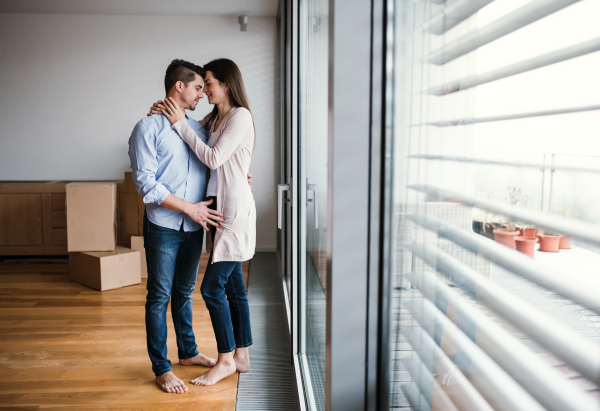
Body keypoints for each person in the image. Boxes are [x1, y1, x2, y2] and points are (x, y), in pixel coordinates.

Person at [129, 59, 251, 394]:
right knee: (159, 296)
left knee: (184, 293)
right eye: (198, 86)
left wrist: (240, 177)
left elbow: (216, 159)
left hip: (195, 228)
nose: (202, 93)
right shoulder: (147, 128)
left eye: (206, 86)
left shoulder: (196, 127)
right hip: (165, 226)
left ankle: (187, 351)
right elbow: (146, 185)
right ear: (178, 87)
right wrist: (189, 210)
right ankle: (161, 368)